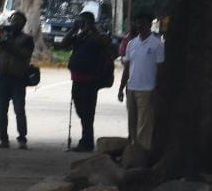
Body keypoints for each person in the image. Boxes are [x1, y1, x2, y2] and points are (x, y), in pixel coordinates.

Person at [64, 11, 114, 152]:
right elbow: (63, 43)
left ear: (91, 22)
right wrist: (73, 29)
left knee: (87, 113)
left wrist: (93, 29)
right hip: (77, 79)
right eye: (81, 22)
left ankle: (86, 142)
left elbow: (107, 43)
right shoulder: (79, 37)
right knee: (80, 111)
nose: (82, 24)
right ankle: (86, 139)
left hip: (91, 81)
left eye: (84, 21)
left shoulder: (96, 37)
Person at [0, 10, 35, 149]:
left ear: (23, 24)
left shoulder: (27, 39)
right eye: (13, 20)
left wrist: (9, 43)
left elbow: (23, 55)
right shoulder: (4, 35)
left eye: (18, 21)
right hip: (2, 76)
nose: (15, 23)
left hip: (18, 78)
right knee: (2, 109)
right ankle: (3, 138)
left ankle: (22, 138)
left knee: (19, 109)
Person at [119, 13, 165, 150]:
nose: (139, 26)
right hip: (131, 87)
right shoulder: (132, 44)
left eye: (143, 23)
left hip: (147, 89)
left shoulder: (157, 44)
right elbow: (127, 67)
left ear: (149, 24)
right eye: (137, 23)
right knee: (132, 122)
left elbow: (160, 69)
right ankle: (133, 150)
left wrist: (158, 89)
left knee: (144, 125)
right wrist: (121, 88)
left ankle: (143, 152)